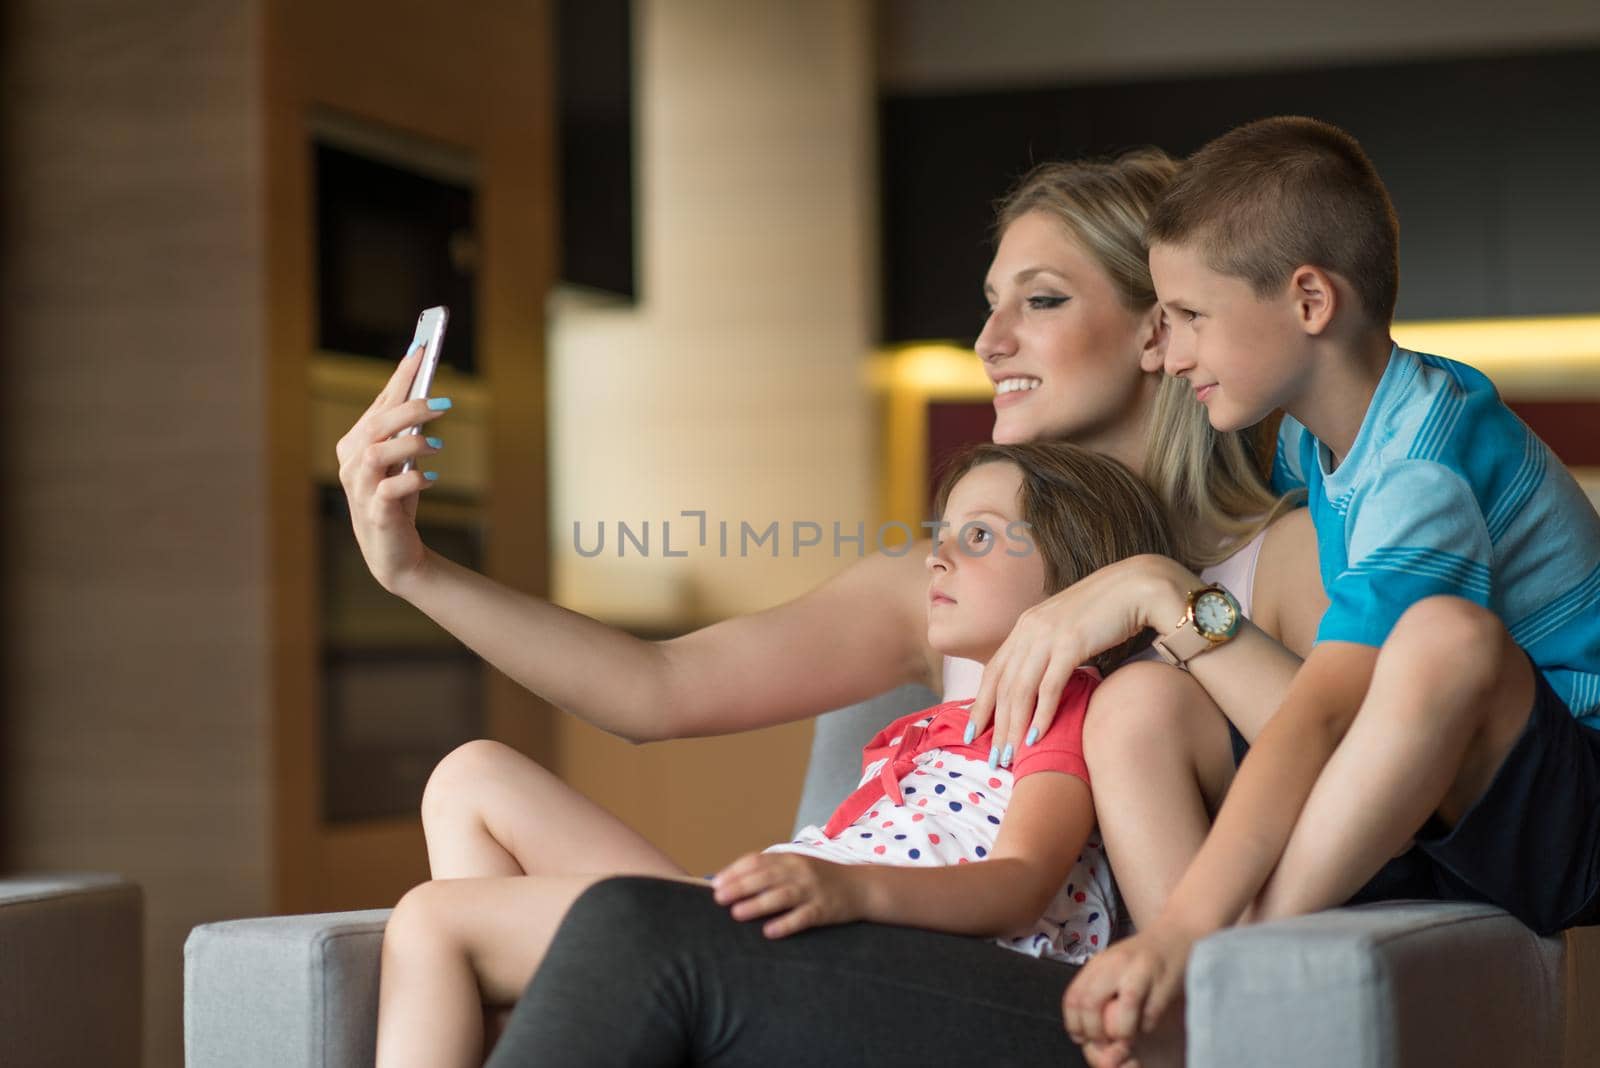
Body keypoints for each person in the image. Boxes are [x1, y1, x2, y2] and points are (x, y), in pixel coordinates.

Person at [335, 148, 1325, 1067]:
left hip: (1022, 988)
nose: (988, 342)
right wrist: (414, 569)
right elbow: (657, 687)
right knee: (468, 794)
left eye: (1042, 300)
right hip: (847, 941)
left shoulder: (1273, 556)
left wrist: (1158, 592)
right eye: (988, 304)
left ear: (1160, 329)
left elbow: (1363, 770)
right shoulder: (938, 586)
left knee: (525, 928)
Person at [1062, 116, 1600, 1067]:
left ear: (1309, 299)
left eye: (1190, 316)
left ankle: (1221, 961)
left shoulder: (1420, 467)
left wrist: (1188, 928)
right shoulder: (1321, 443)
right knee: (1137, 703)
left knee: (1444, 636)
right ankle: (1192, 1035)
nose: (1171, 353)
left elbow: (1318, 715)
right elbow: (1298, 678)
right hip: (1442, 805)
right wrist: (1171, 599)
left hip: (1571, 807)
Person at [374, 442, 1175, 1067]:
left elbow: (1017, 886)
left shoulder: (1062, 708)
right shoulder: (933, 731)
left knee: (433, 922)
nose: (936, 557)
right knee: (470, 778)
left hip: (871, 960)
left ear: (1074, 573)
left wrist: (845, 888)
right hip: (775, 934)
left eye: (978, 538)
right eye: (941, 535)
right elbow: (659, 684)